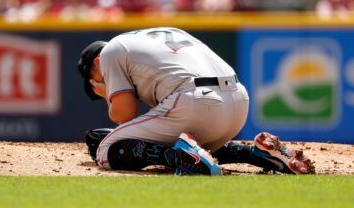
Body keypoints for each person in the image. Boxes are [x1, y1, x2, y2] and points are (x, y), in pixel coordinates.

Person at [77, 27, 315, 175]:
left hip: (196, 101)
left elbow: (124, 115)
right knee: (184, 138)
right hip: (238, 100)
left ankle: (178, 156)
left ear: (96, 63)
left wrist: (107, 92)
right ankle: (255, 154)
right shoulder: (159, 34)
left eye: (96, 80)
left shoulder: (108, 54)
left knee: (105, 149)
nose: (101, 83)